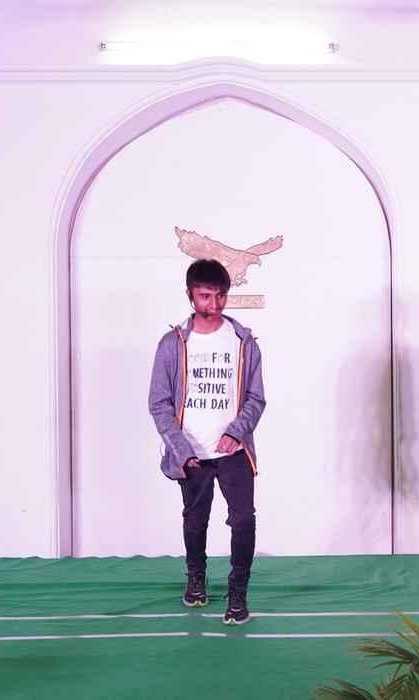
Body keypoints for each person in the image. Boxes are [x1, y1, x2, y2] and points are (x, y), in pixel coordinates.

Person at [148, 258, 267, 625]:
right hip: (192, 453)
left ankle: (238, 592)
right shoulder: (172, 344)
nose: (213, 304)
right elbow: (159, 403)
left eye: (220, 296)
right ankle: (196, 577)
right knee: (195, 519)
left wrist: (235, 432)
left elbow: (256, 398)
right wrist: (181, 450)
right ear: (190, 295)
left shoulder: (244, 342)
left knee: (243, 520)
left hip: (234, 451)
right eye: (205, 296)